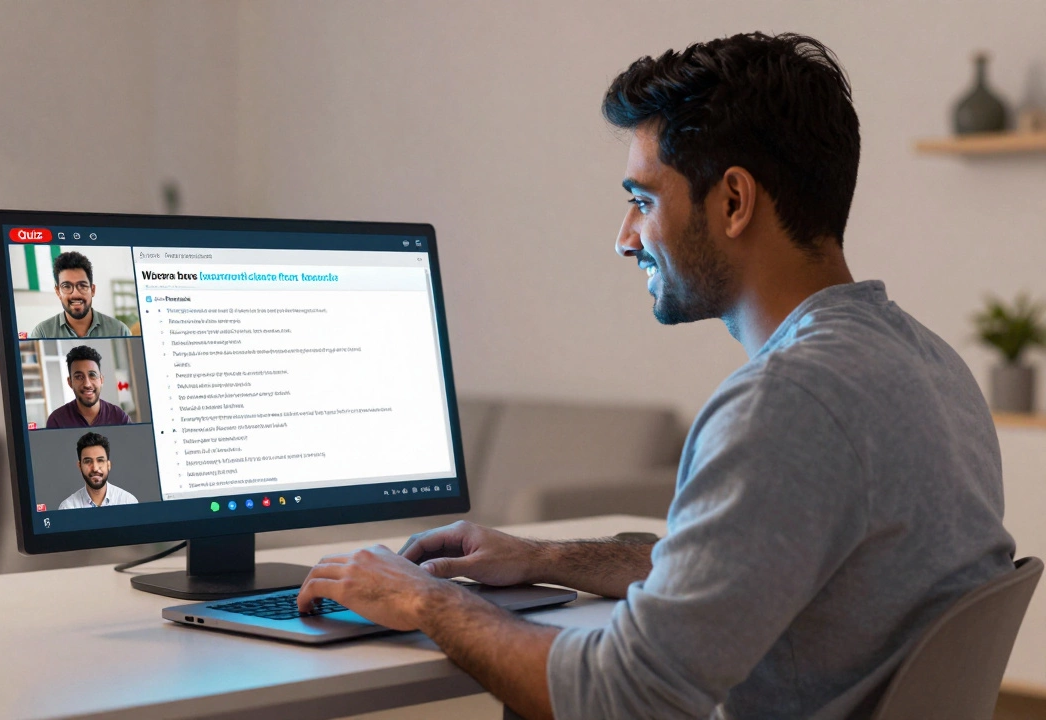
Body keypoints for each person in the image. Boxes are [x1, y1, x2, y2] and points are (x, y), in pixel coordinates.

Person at [294, 33, 1016, 720]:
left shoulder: (787, 401)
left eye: (642, 201)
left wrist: (425, 601)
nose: (624, 238)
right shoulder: (926, 364)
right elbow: (747, 572)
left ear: (733, 202)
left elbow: (624, 700)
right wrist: (545, 558)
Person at [30, 251, 132, 338]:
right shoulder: (42, 333)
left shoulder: (120, 331)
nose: (75, 294)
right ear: (58, 292)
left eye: (82, 286)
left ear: (92, 290)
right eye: (66, 286)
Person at [45, 345, 133, 429]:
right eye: (79, 377)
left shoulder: (119, 418)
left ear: (101, 380)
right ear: (70, 382)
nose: (87, 384)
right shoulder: (57, 422)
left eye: (92, 375)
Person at [58, 431, 138, 509]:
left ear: (108, 465)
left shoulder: (128, 502)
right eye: (88, 461)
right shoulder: (68, 508)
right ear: (80, 466)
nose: (95, 468)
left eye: (100, 460)